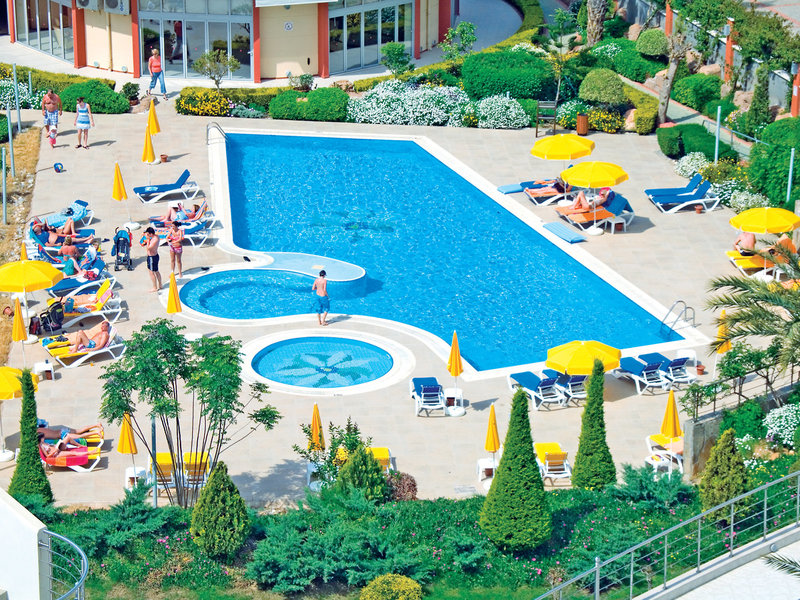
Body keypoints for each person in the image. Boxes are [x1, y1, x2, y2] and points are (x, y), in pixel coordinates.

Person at [37, 424, 103, 447]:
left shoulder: (40, 434)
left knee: (80, 434)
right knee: (79, 431)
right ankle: (96, 425)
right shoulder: (40, 429)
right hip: (62, 431)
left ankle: (96, 430)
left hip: (64, 434)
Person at [143, 226, 163, 292]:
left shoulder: (155, 240)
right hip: (154, 256)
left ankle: (155, 287)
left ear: (151, 234)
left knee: (151, 272)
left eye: (148, 234)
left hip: (152, 257)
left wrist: (148, 240)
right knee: (156, 271)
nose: (147, 235)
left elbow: (148, 248)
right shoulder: (156, 236)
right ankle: (160, 285)